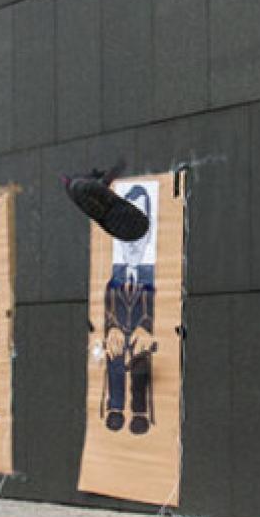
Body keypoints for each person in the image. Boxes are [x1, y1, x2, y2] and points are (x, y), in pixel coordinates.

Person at [101, 185, 156, 435]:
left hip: (140, 336)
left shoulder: (151, 277)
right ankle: (115, 407)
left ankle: (139, 411)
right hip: (120, 333)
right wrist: (112, 326)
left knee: (140, 356)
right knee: (114, 351)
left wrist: (145, 328)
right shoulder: (114, 278)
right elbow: (109, 306)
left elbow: (151, 308)